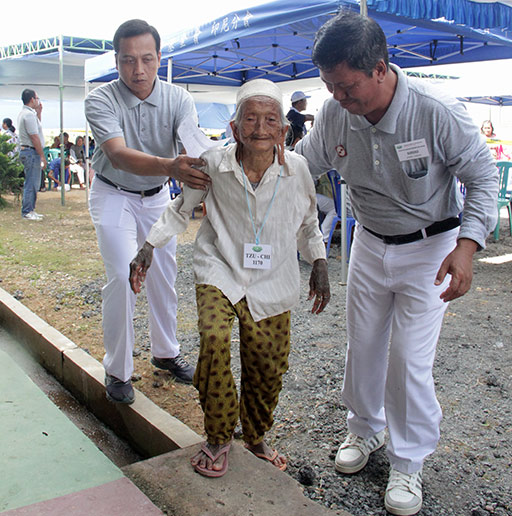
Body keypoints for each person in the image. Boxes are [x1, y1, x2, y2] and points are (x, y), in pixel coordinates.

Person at [295, 11, 498, 516]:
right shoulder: (335, 113)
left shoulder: (435, 113)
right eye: (328, 86)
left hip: (430, 247)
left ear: (380, 68)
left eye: (346, 86)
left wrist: (468, 247)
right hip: (367, 241)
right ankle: (365, 430)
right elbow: (301, 164)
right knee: (362, 344)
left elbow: (484, 179)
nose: (337, 97)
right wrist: (246, 173)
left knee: (408, 357)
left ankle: (409, 460)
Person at [129, 78, 330, 478]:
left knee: (268, 364)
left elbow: (309, 223)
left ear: (283, 130)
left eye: (269, 120)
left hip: (273, 277)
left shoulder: (299, 170)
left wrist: (320, 263)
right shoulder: (214, 165)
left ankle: (255, 437)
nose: (259, 128)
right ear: (234, 128)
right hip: (219, 267)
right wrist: (148, 247)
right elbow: (179, 209)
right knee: (214, 338)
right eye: (250, 119)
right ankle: (219, 436)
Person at [84, 19, 210, 405]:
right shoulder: (100, 99)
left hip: (156, 197)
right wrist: (172, 166)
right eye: (127, 61)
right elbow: (118, 155)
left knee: (163, 274)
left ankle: (165, 352)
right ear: (116, 61)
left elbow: (195, 145)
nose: (137, 70)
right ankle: (118, 370)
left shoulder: (179, 99)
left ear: (159, 58)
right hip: (113, 194)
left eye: (146, 59)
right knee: (123, 276)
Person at [17, 89, 47, 221]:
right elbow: (34, 137)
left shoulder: (28, 114)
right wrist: (42, 156)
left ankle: (30, 209)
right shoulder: (28, 115)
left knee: (32, 181)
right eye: (37, 98)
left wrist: (39, 113)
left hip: (28, 151)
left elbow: (37, 128)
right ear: (32, 99)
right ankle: (27, 211)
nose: (38, 100)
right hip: (31, 151)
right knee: (32, 182)